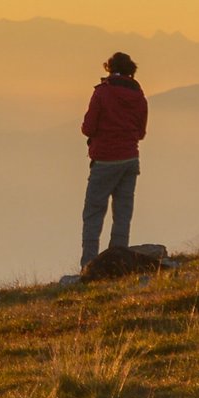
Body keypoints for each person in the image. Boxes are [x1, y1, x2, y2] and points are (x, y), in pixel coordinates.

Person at [80, 51, 148, 268]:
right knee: (123, 213)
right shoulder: (139, 97)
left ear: (109, 68)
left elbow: (88, 128)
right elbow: (140, 132)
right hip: (129, 159)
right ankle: (117, 263)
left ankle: (89, 265)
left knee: (94, 213)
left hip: (104, 161)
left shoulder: (102, 93)